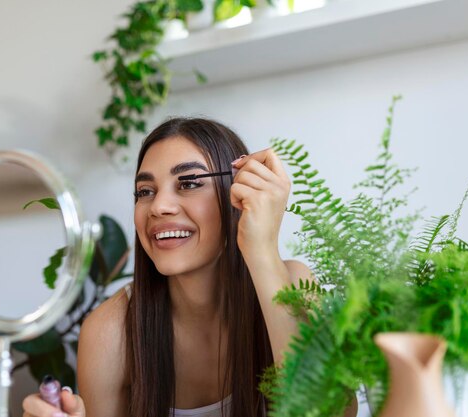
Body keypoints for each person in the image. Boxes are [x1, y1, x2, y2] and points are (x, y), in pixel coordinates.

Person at [23, 118, 354, 417]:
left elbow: (331, 412)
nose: (159, 207)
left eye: (190, 182)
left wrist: (262, 250)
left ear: (237, 195)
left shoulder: (294, 283)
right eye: (145, 191)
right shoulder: (111, 331)